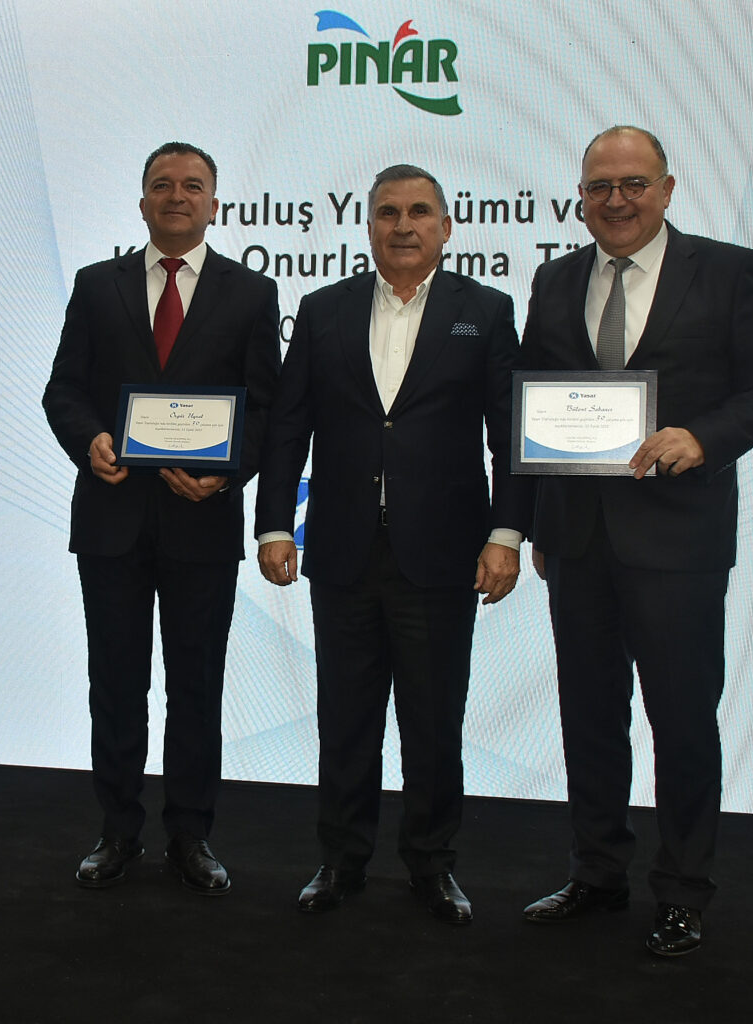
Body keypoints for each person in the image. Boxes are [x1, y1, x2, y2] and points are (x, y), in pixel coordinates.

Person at [518, 126, 753, 955]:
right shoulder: (555, 279)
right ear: (580, 198)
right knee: (589, 716)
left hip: (679, 541)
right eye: (600, 187)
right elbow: (533, 401)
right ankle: (597, 872)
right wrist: (533, 524)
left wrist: (702, 438)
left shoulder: (729, 270)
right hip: (577, 540)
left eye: (634, 184)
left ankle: (682, 891)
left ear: (668, 189)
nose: (617, 201)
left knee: (681, 721)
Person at [255, 164, 528, 925]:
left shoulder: (487, 310)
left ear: (447, 226)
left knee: (434, 723)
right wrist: (274, 524)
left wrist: (506, 534)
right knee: (345, 720)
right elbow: (289, 427)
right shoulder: (323, 309)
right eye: (387, 212)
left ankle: (432, 865)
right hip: (342, 553)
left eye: (419, 212)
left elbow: (507, 436)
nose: (403, 226)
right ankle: (340, 861)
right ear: (368, 225)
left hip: (442, 555)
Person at [43, 142, 281, 895]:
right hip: (111, 520)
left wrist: (225, 472)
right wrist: (90, 440)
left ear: (214, 204)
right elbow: (63, 389)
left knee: (196, 685)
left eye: (192, 186)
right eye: (162, 185)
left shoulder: (253, 293)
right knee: (115, 684)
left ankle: (190, 834)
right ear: (142, 201)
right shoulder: (96, 285)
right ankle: (117, 831)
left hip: (201, 522)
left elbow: (265, 406)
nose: (177, 196)